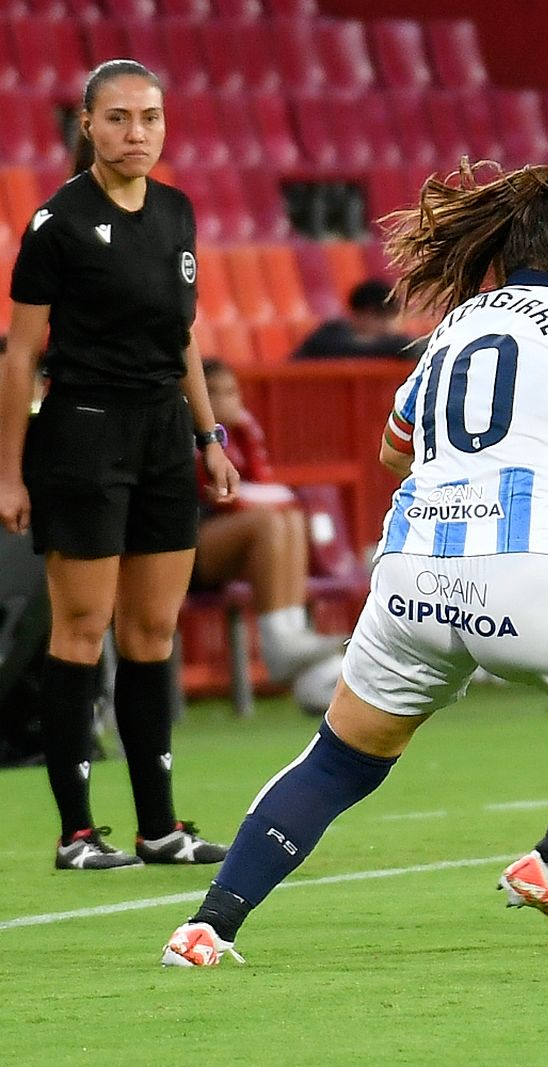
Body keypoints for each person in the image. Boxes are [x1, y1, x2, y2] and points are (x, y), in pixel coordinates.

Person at [161, 161, 548, 966]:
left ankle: (208, 926)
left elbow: (394, 449)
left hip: (412, 578)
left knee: (341, 758)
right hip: (531, 577)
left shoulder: (452, 331)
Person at [0, 60, 239, 870]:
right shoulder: (55, 223)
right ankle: (75, 834)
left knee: (150, 631)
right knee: (83, 627)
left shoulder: (176, 212)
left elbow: (184, 336)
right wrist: (9, 472)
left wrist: (210, 438)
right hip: (83, 434)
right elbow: (20, 355)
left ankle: (160, 828)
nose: (136, 133)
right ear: (87, 125)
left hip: (165, 438)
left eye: (150, 118)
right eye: (118, 119)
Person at [193, 359, 346, 705]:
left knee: (288, 518)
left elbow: (261, 484)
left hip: (223, 537)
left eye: (231, 392)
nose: (224, 401)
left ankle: (290, 632)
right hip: (184, 546)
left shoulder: (244, 431)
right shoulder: (193, 436)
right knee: (267, 521)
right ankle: (278, 641)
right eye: (213, 393)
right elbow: (223, 497)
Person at [291, 278, 416, 360]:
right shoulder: (327, 338)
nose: (389, 326)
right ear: (364, 314)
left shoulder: (393, 342)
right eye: (382, 318)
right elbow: (354, 350)